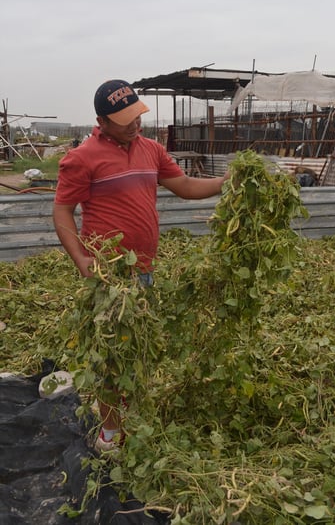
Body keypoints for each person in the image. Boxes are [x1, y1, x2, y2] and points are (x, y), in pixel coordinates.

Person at [53, 79, 229, 452]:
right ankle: (110, 436)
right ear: (101, 120)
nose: (136, 124)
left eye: (137, 115)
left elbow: (182, 184)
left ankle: (128, 415)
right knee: (111, 356)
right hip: (108, 275)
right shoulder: (82, 158)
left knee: (135, 349)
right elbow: (62, 210)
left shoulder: (151, 149)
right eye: (125, 119)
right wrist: (81, 258)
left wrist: (225, 183)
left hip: (143, 269)